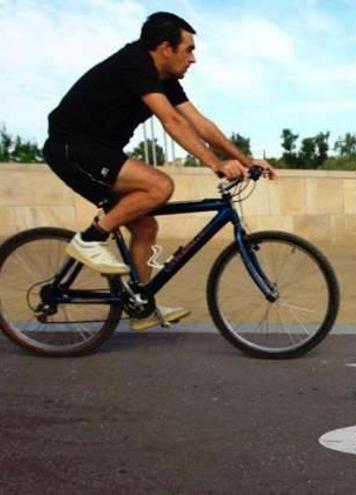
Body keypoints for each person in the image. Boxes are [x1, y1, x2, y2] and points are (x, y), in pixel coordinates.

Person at [43, 12, 275, 331]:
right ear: (166, 48)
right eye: (189, 49)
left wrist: (245, 161)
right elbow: (172, 122)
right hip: (72, 148)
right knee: (159, 186)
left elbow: (200, 123)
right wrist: (216, 164)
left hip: (101, 152)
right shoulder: (135, 62)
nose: (193, 59)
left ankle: (140, 305)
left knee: (146, 228)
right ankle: (90, 239)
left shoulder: (166, 79)